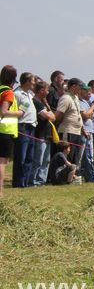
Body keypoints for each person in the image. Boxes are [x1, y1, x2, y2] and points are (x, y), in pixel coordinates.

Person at [0, 66, 24, 198]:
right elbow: (3, 111)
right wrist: (19, 113)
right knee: (2, 162)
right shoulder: (8, 92)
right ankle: (0, 192)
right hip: (5, 130)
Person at [13, 72, 37, 187]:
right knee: (21, 157)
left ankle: (26, 182)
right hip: (22, 126)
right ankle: (18, 182)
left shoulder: (29, 94)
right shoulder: (17, 94)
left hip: (31, 126)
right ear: (27, 81)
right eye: (33, 81)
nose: (34, 83)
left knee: (29, 157)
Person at [31, 80, 55, 186]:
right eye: (47, 90)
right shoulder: (35, 102)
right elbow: (50, 116)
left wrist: (48, 111)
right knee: (38, 160)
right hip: (39, 135)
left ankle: (41, 180)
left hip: (47, 135)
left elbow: (53, 117)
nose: (48, 92)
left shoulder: (43, 103)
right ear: (41, 90)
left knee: (46, 160)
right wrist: (49, 114)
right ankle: (33, 180)